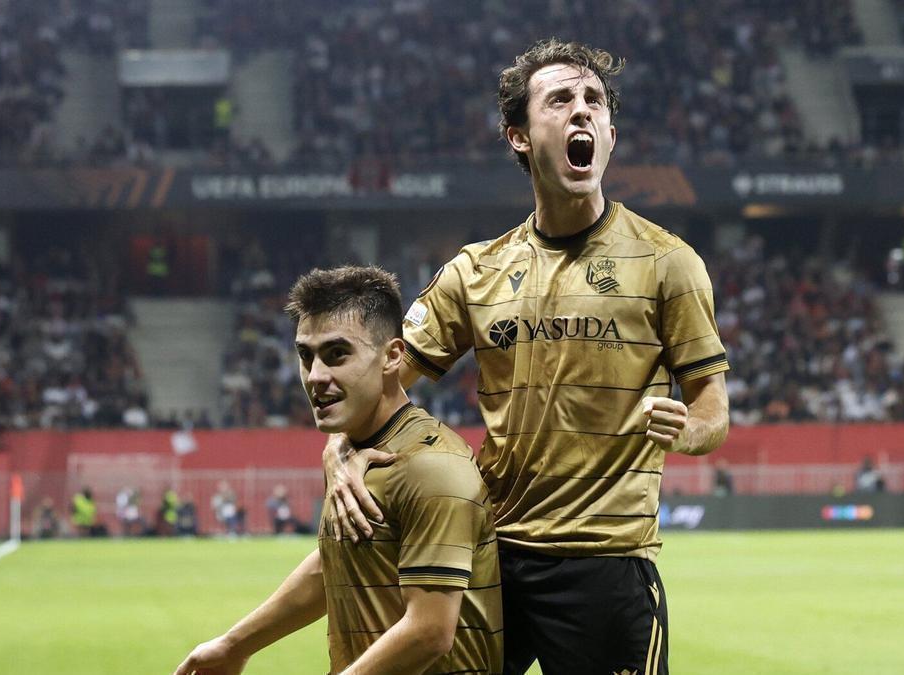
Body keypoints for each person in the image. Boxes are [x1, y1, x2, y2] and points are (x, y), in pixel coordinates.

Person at [326, 39, 729, 675]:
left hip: (607, 562)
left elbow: (713, 410)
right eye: (561, 99)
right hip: (493, 555)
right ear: (518, 136)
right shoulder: (475, 271)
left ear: (610, 136)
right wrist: (338, 450)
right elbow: (376, 383)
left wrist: (692, 428)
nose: (582, 112)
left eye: (594, 101)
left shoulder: (667, 262)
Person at [174, 266, 502, 675]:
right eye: (305, 356)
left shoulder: (433, 466)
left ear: (393, 356)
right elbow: (336, 560)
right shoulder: (352, 457)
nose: (315, 377)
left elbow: (430, 631)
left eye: (337, 354)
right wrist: (234, 645)